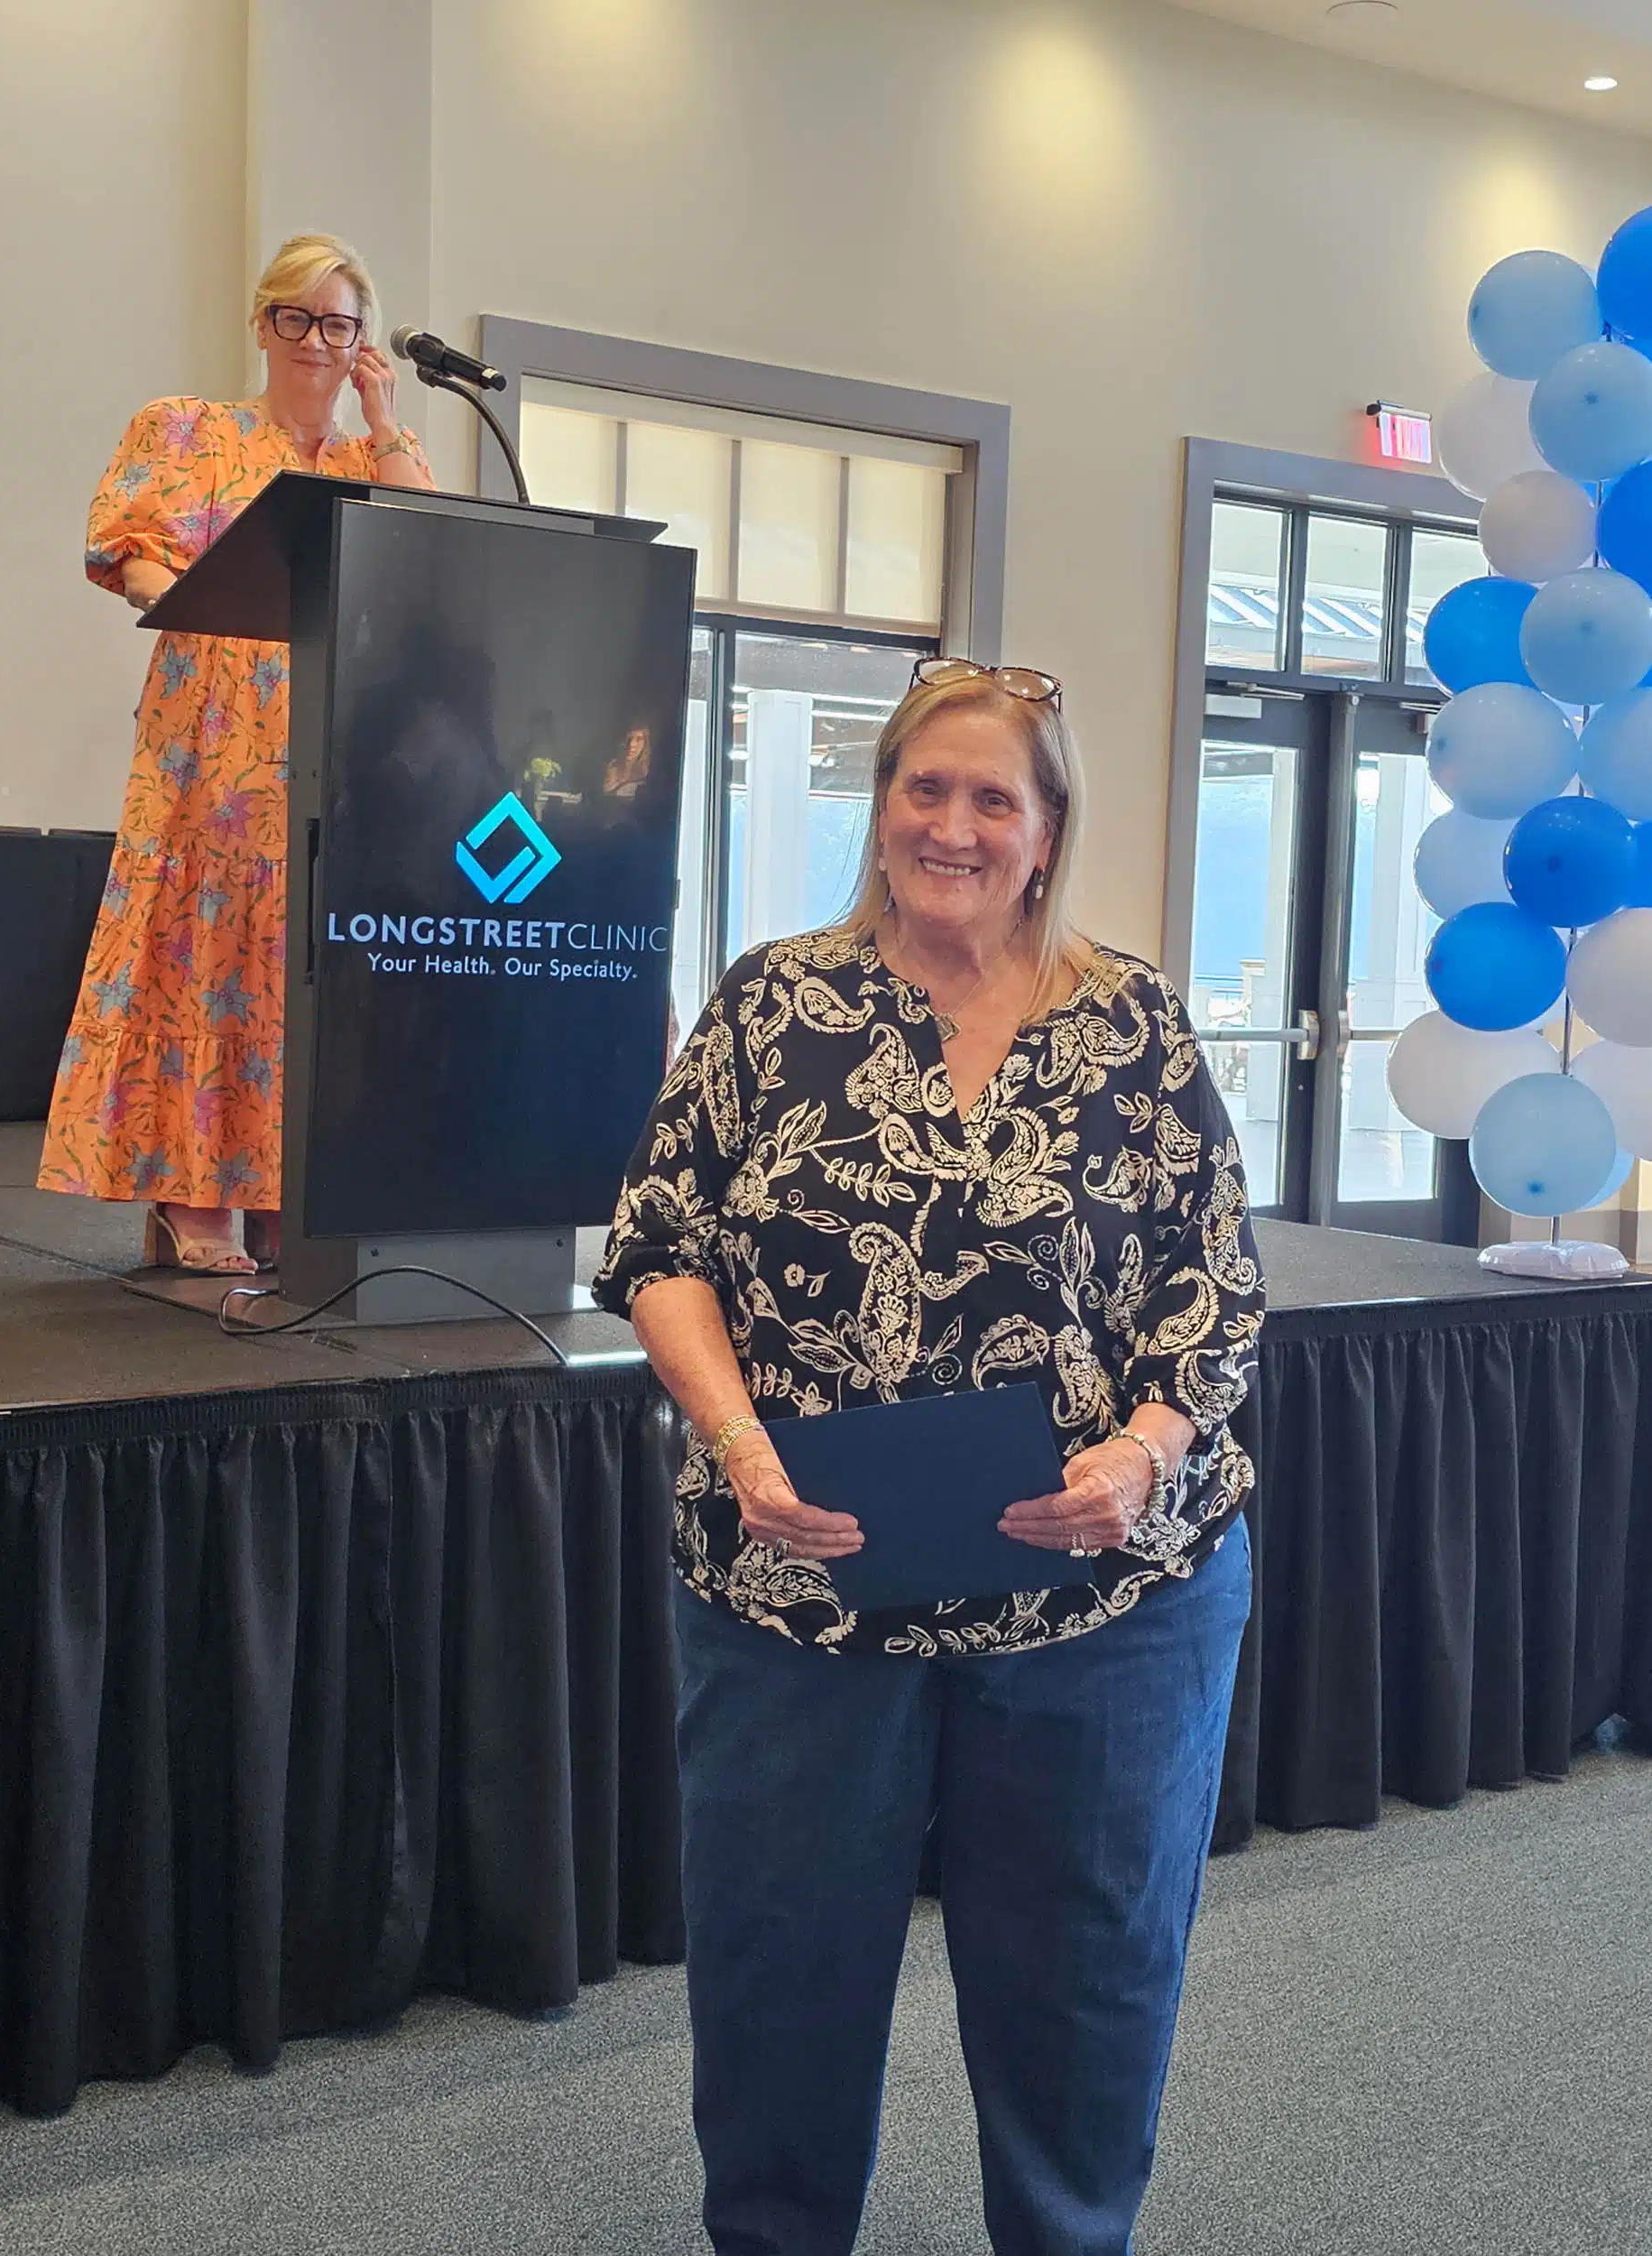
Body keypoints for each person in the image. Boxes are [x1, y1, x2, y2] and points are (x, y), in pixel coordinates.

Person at [592, 656, 1266, 2256]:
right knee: (778, 1974)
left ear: (1047, 832)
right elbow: (658, 1246)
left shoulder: (1132, 1023)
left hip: (1101, 1599)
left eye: (991, 799)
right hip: (799, 1589)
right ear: (881, 804)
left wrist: (1142, 1457)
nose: (950, 826)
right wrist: (737, 1442)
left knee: (1087, 1985)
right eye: (923, 787)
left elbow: (1217, 1291)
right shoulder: (772, 1003)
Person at [39, 233, 435, 1271]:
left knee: (298, 967)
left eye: (337, 323)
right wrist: (172, 590)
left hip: (331, 748)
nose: (315, 340)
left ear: (362, 341)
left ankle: (278, 1189)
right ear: (262, 324)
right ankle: (193, 1193)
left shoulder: (368, 461)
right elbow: (129, 547)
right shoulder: (191, 429)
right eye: (295, 317)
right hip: (210, 733)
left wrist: (385, 419)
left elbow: (423, 551)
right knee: (199, 956)